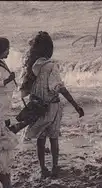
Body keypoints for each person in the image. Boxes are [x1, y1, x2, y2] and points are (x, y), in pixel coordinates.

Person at [20, 31, 85, 179]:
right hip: (52, 107)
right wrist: (75, 105)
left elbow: (24, 91)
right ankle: (55, 167)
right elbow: (59, 88)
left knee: (40, 139)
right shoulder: (51, 66)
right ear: (49, 49)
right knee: (54, 138)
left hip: (37, 107)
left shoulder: (31, 66)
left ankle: (43, 168)